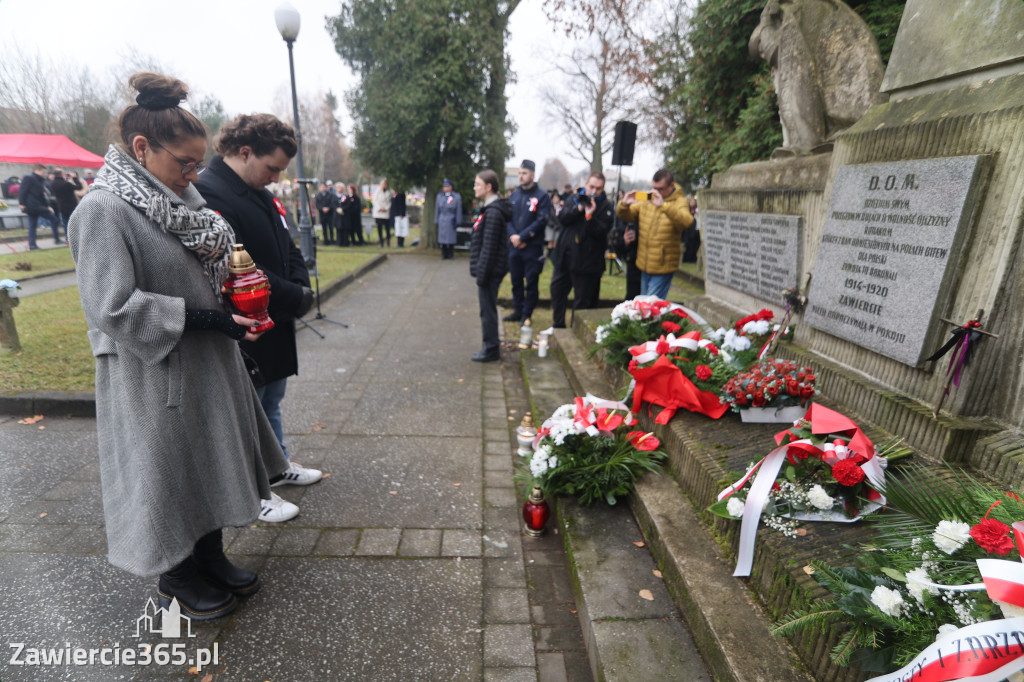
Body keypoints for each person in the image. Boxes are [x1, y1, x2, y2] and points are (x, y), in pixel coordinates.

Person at [67, 72, 289, 621]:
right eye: (184, 163)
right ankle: (176, 573)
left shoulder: (183, 200)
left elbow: (208, 269)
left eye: (197, 163)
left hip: (208, 358)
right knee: (169, 470)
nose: (195, 175)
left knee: (211, 459)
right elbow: (110, 305)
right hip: (153, 370)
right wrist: (205, 317)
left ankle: (210, 557)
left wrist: (238, 310)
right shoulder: (102, 211)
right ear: (142, 148)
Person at [194, 113, 321, 523]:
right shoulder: (208, 194)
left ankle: (276, 465)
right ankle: (254, 491)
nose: (276, 178)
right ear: (245, 152)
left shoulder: (259, 191)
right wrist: (293, 294)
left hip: (275, 314)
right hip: (243, 321)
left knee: (272, 400)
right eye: (272, 168)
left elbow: (288, 246)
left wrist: (301, 288)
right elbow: (237, 270)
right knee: (247, 409)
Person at [616, 168, 693, 300]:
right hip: (644, 263)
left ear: (671, 186)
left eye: (661, 189)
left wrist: (663, 206)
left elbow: (686, 222)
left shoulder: (680, 202)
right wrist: (624, 204)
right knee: (645, 304)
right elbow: (627, 215)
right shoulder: (648, 199)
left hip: (663, 265)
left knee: (651, 306)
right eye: (654, 188)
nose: (656, 192)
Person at [554, 172, 614, 327]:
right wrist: (579, 208)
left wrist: (589, 217)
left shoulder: (606, 206)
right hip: (565, 257)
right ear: (586, 184)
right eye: (591, 186)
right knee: (558, 292)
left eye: (598, 188)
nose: (593, 191)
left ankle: (576, 331)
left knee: (582, 301)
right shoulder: (575, 198)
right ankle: (558, 325)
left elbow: (601, 232)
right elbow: (562, 218)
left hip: (586, 263)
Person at [469, 169, 512, 362]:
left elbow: (489, 248)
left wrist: (482, 275)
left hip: (489, 272)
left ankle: (492, 349)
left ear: (488, 187)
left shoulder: (493, 213)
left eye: (477, 184)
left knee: (488, 311)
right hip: (488, 271)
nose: (474, 187)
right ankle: (490, 346)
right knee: (486, 309)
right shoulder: (490, 210)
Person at [503, 159, 551, 322]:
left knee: (531, 282)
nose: (521, 176)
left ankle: (527, 313)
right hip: (515, 246)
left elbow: (541, 220)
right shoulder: (514, 195)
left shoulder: (542, 196)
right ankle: (517, 309)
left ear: (532, 175)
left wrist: (523, 237)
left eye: (524, 173)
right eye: (519, 173)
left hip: (532, 247)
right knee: (516, 280)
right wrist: (513, 237)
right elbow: (508, 219)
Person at [18, 163, 60, 249]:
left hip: (35, 205)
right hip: (34, 205)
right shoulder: (29, 178)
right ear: (37, 170)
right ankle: (56, 239)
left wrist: (47, 205)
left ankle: (32, 244)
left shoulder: (39, 180)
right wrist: (21, 203)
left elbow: (41, 194)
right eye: (43, 171)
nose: (44, 174)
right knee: (54, 219)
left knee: (32, 225)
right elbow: (22, 190)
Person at [609, 189, 641, 300]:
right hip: (634, 261)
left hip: (649, 263)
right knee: (632, 296)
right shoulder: (625, 218)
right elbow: (617, 246)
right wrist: (625, 241)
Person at [51, 169, 83, 238]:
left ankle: (67, 237)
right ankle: (75, 237)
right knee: (74, 221)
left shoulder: (53, 183)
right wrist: (74, 178)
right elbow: (79, 187)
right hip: (71, 205)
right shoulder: (66, 184)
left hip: (61, 205)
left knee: (65, 222)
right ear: (61, 174)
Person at [435, 178, 462, 260]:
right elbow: (437, 209)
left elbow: (458, 209)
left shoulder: (456, 197)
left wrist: (458, 220)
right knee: (442, 238)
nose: (445, 188)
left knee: (451, 238)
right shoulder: (439, 196)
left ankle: (451, 254)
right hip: (442, 218)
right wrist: (436, 219)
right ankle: (444, 254)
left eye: (447, 186)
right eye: (444, 186)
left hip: (451, 218)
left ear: (451, 187)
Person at [372, 178, 394, 247]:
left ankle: (388, 242)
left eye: (386, 184)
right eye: (384, 184)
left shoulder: (390, 192)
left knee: (387, 228)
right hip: (378, 212)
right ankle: (381, 242)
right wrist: (379, 208)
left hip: (386, 211)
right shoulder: (378, 191)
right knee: (379, 228)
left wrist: (386, 208)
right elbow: (375, 200)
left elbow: (390, 201)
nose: (385, 185)